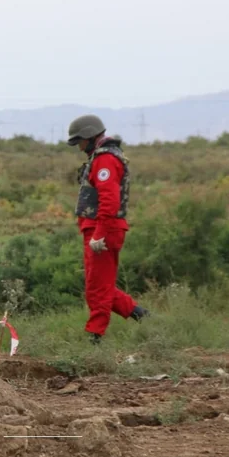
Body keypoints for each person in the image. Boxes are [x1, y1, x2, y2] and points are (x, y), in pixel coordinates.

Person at [66, 114, 149, 344]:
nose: (80, 147)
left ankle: (95, 338)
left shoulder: (105, 160)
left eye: (80, 141)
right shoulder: (102, 156)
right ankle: (143, 316)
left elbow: (109, 201)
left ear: (91, 137)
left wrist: (98, 235)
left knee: (97, 290)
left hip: (103, 231)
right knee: (99, 286)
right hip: (97, 230)